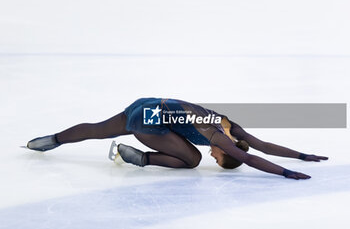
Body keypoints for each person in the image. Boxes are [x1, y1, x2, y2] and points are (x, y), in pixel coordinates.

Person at [26, 97, 328, 180]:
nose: (214, 156)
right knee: (192, 160)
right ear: (227, 153)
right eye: (220, 159)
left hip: (150, 102)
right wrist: (286, 171)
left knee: (97, 129)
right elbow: (251, 156)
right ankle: (140, 157)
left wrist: (302, 155)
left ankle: (50, 139)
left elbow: (261, 146)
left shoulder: (231, 128)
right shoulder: (220, 140)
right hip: (149, 119)